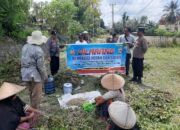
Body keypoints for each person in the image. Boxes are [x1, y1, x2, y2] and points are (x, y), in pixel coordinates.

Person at [21, 30, 48, 109]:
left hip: (25, 74)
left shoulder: (25, 46)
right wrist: (45, 77)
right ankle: (34, 116)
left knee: (31, 94)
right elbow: (40, 66)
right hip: (34, 76)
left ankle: (31, 110)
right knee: (36, 96)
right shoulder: (38, 50)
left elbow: (22, 61)